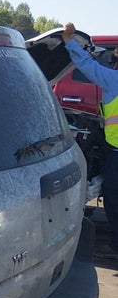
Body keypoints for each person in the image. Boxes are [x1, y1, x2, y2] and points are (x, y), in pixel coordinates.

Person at [62, 22, 118, 259]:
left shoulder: (113, 79)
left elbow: (87, 65)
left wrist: (69, 43)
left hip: (116, 149)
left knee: (113, 193)